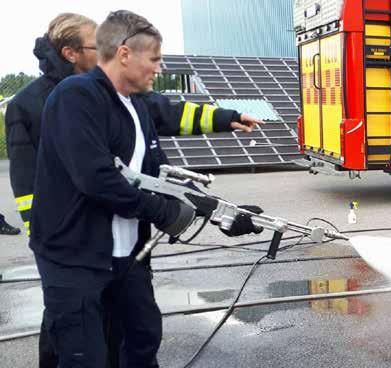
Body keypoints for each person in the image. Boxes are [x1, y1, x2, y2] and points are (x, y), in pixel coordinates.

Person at [6, 13, 262, 367]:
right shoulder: (73, 96)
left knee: (141, 338)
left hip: (126, 254)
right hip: (74, 252)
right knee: (83, 354)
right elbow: (97, 178)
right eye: (154, 59)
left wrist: (215, 210)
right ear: (124, 54)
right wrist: (163, 211)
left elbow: (152, 173)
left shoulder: (134, 105)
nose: (159, 69)